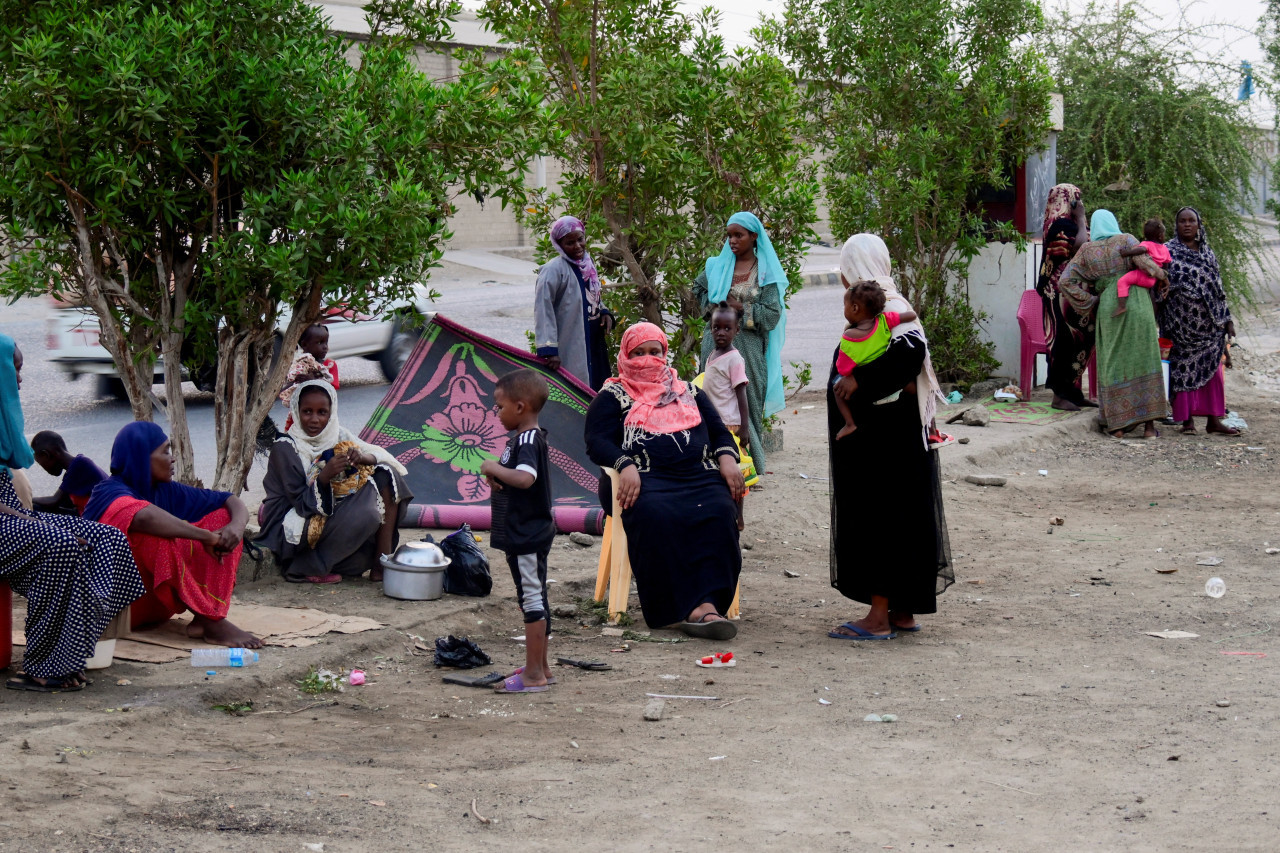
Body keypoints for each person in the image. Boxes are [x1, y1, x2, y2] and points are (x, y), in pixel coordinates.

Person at [0, 334, 144, 691]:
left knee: (107, 538)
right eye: (14, 371)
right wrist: (29, 519)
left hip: (9, 512)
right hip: (7, 515)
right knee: (62, 544)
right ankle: (41, 667)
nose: (19, 380)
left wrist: (27, 517)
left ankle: (69, 655)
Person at [584, 322, 745, 640]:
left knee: (718, 510)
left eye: (654, 352)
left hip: (697, 478)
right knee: (660, 515)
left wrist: (727, 459)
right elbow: (596, 440)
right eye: (638, 353)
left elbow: (718, 431)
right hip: (640, 484)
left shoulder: (689, 392)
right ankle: (679, 609)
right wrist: (624, 463)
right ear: (626, 356)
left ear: (665, 353)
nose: (647, 359)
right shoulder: (614, 395)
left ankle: (708, 604)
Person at [828, 235, 953, 640]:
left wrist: (857, 380)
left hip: (886, 442)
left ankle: (879, 617)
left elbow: (907, 359)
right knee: (902, 518)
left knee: (881, 518)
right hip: (893, 438)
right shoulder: (883, 309)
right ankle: (902, 610)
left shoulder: (893, 311)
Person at [83, 421, 261, 648]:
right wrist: (207, 537)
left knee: (223, 519)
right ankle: (211, 620)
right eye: (165, 451)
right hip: (109, 609)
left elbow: (228, 500)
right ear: (141, 457)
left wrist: (235, 528)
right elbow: (143, 517)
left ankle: (207, 616)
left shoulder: (164, 489)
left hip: (154, 605)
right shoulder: (107, 491)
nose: (172, 458)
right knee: (152, 538)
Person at [258, 380, 413, 583]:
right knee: (367, 513)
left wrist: (361, 458)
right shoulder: (285, 448)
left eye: (322, 412)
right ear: (296, 411)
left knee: (386, 474)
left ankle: (381, 564)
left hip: (326, 514)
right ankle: (307, 566)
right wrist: (325, 475)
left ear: (331, 414)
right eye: (307, 412)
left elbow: (380, 455)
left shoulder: (338, 435)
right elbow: (301, 503)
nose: (314, 420)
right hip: (292, 522)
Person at [1060, 210, 1170, 438]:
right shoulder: (1127, 239)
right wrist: (1161, 276)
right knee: (1145, 356)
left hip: (1109, 305)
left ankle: (1117, 426)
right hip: (1138, 302)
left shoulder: (1087, 250)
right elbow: (1145, 263)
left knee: (1112, 359)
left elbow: (1065, 281)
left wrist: (1090, 301)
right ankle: (1149, 428)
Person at [480, 369, 557, 694]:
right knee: (534, 593)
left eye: (499, 406)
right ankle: (540, 666)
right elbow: (518, 479)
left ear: (521, 407)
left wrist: (491, 466)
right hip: (525, 532)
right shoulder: (527, 439)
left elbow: (526, 478)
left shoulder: (527, 440)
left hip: (527, 534)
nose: (495, 412)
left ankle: (534, 675)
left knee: (531, 597)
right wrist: (500, 477)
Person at [693, 211, 787, 473]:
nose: (732, 240)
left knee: (748, 402)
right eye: (729, 235)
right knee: (713, 402)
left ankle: (750, 467)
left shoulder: (766, 272)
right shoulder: (717, 266)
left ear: (754, 237)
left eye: (739, 235)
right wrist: (714, 311)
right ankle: (714, 463)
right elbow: (698, 289)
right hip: (715, 346)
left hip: (749, 350)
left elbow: (771, 315)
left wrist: (740, 309)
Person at [1161, 206, 1239, 435]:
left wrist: (1228, 320)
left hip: (1209, 325)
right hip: (1178, 325)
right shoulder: (1168, 251)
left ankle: (1214, 421)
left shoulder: (1208, 253)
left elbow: (1218, 289)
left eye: (1191, 221)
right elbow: (1159, 285)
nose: (1187, 224)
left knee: (1212, 371)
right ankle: (1187, 422)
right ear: (1176, 225)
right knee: (1182, 371)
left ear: (1198, 224)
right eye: (1182, 221)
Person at [534, 215, 614, 391]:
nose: (577, 246)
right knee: (576, 388)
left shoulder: (587, 263)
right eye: (570, 243)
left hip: (594, 338)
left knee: (598, 387)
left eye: (580, 239)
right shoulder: (552, 270)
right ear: (559, 244)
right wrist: (549, 350)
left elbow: (591, 294)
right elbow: (543, 309)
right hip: (572, 341)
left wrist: (604, 312)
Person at [1036, 184, 1096, 411]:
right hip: (1059, 294)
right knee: (1063, 343)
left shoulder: (1070, 224)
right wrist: (1081, 220)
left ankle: (1073, 393)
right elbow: (1080, 249)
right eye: (1075, 199)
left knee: (1080, 341)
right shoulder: (1059, 225)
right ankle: (1059, 396)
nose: (1079, 204)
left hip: (1074, 296)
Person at [833, 281, 918, 440]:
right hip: (891, 380)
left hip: (867, 388)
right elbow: (911, 315)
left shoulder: (849, 338)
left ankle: (850, 423)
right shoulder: (885, 320)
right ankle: (913, 392)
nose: (844, 309)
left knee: (836, 388)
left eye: (844, 305)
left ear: (855, 308)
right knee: (909, 384)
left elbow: (843, 369)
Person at [701, 302, 754, 529]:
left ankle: (738, 516)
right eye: (716, 328)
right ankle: (720, 512)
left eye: (727, 328)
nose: (721, 333)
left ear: (737, 330)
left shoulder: (734, 359)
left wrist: (744, 427)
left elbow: (742, 394)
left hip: (730, 426)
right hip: (713, 424)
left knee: (736, 473)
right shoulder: (713, 353)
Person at [30, 430, 107, 515]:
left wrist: (28, 499)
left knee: (34, 509)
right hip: (90, 514)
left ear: (46, 455)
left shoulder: (79, 465)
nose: (43, 468)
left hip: (99, 518)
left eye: (41, 463)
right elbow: (62, 502)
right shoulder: (75, 466)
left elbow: (54, 501)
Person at [280, 323, 340, 432]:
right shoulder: (298, 366)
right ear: (305, 345)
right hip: (302, 414)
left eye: (326, 342)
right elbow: (286, 389)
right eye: (320, 342)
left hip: (323, 415)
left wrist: (311, 381)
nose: (325, 347)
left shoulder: (329, 365)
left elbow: (331, 389)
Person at [1113, 218, 1172, 317]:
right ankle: (1153, 316)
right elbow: (1165, 266)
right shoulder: (1165, 249)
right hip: (1152, 280)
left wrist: (1126, 253)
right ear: (1160, 235)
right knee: (1151, 295)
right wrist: (1162, 279)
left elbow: (1140, 250)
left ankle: (1122, 306)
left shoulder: (1146, 244)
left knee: (1122, 281)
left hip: (1141, 275)